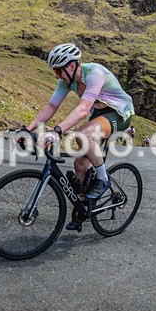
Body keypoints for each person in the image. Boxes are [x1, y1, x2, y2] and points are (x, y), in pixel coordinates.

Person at [25, 43, 134, 230]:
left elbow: (83, 110)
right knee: (80, 165)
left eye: (59, 71)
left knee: (82, 134)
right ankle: (83, 208)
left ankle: (103, 179)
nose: (57, 76)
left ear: (72, 66)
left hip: (118, 113)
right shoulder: (67, 81)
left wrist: (57, 130)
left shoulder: (94, 74)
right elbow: (52, 106)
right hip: (99, 114)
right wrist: (28, 129)